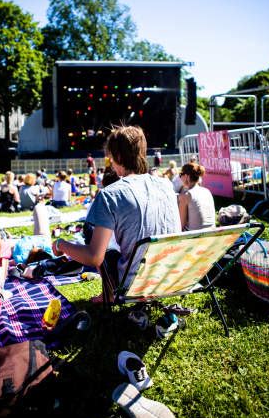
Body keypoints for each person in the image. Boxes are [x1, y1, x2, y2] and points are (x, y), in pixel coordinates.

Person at [53, 125, 181, 302]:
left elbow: (94, 257)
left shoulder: (110, 194)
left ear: (119, 157)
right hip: (172, 277)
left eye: (111, 158)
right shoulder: (166, 185)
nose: (111, 163)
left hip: (135, 285)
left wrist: (61, 244)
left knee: (92, 233)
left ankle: (108, 295)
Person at [177, 162, 216, 231]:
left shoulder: (186, 196)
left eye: (180, 175)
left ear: (186, 176)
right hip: (211, 235)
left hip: (194, 238)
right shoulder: (207, 191)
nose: (180, 177)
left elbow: (180, 225)